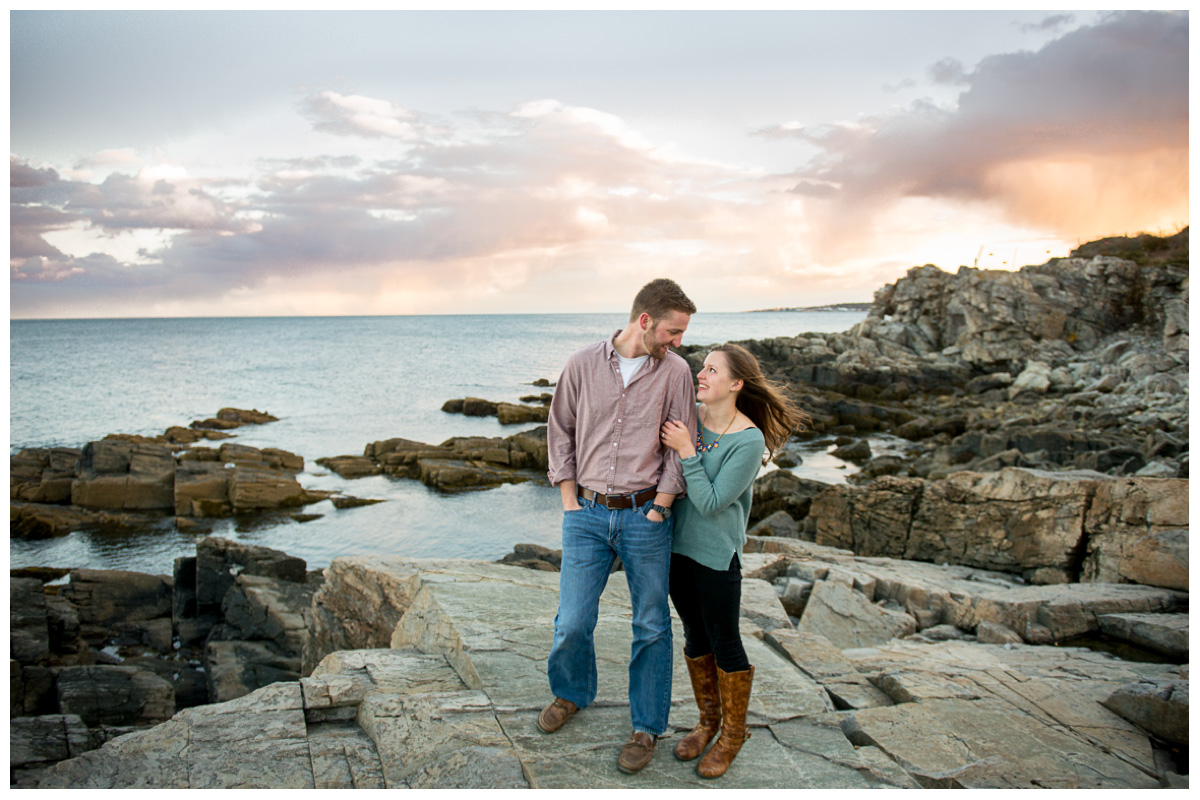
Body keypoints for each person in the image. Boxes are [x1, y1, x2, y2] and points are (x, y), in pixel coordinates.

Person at [538, 278, 698, 774]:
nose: (679, 342)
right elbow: (559, 428)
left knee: (651, 625)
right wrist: (568, 498)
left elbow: (683, 439)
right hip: (585, 514)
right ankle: (571, 694)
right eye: (673, 331)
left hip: (644, 515)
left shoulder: (677, 372)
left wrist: (661, 505)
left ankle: (646, 727)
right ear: (644, 321)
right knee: (572, 622)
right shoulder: (582, 364)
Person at [659, 343, 809, 779]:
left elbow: (710, 503)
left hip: (716, 558)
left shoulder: (748, 439)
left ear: (736, 384)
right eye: (701, 368)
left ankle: (733, 734)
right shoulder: (693, 416)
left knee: (726, 643)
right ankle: (708, 722)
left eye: (711, 370)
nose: (700, 375)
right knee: (693, 636)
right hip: (675, 551)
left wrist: (687, 451)